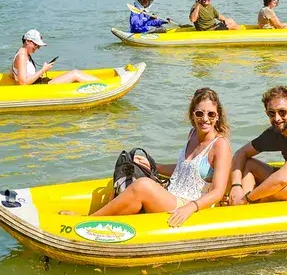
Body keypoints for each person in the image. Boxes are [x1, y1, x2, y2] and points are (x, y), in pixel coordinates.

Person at [88, 88, 233, 227]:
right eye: (200, 113)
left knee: (143, 185)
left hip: (191, 203)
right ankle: (104, 220)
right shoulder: (193, 134)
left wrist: (191, 207)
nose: (205, 119)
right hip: (172, 193)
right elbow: (184, 170)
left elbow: (218, 192)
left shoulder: (220, 145)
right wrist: (153, 166)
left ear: (218, 116)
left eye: (211, 114)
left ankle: (88, 221)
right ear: (193, 114)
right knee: (129, 172)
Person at [11, 29, 100, 85]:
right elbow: (23, 82)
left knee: (75, 75)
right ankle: (104, 85)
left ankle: (100, 83)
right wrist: (43, 70)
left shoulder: (22, 53)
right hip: (39, 88)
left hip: (38, 83)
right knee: (75, 74)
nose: (37, 48)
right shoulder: (22, 56)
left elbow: (12, 72)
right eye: (36, 45)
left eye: (39, 46)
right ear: (28, 41)